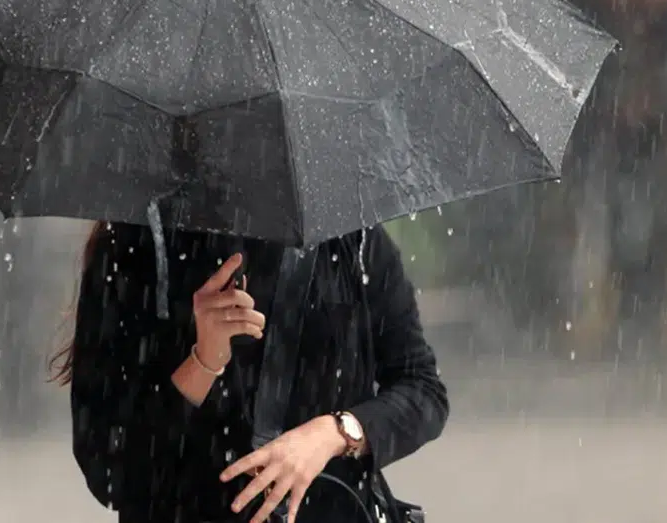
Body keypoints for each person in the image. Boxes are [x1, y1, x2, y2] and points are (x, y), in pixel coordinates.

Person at [52, 221, 448, 523]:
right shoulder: (136, 245)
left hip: (336, 508)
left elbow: (422, 389)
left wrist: (333, 433)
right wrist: (203, 360)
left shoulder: (351, 240)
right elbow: (109, 470)